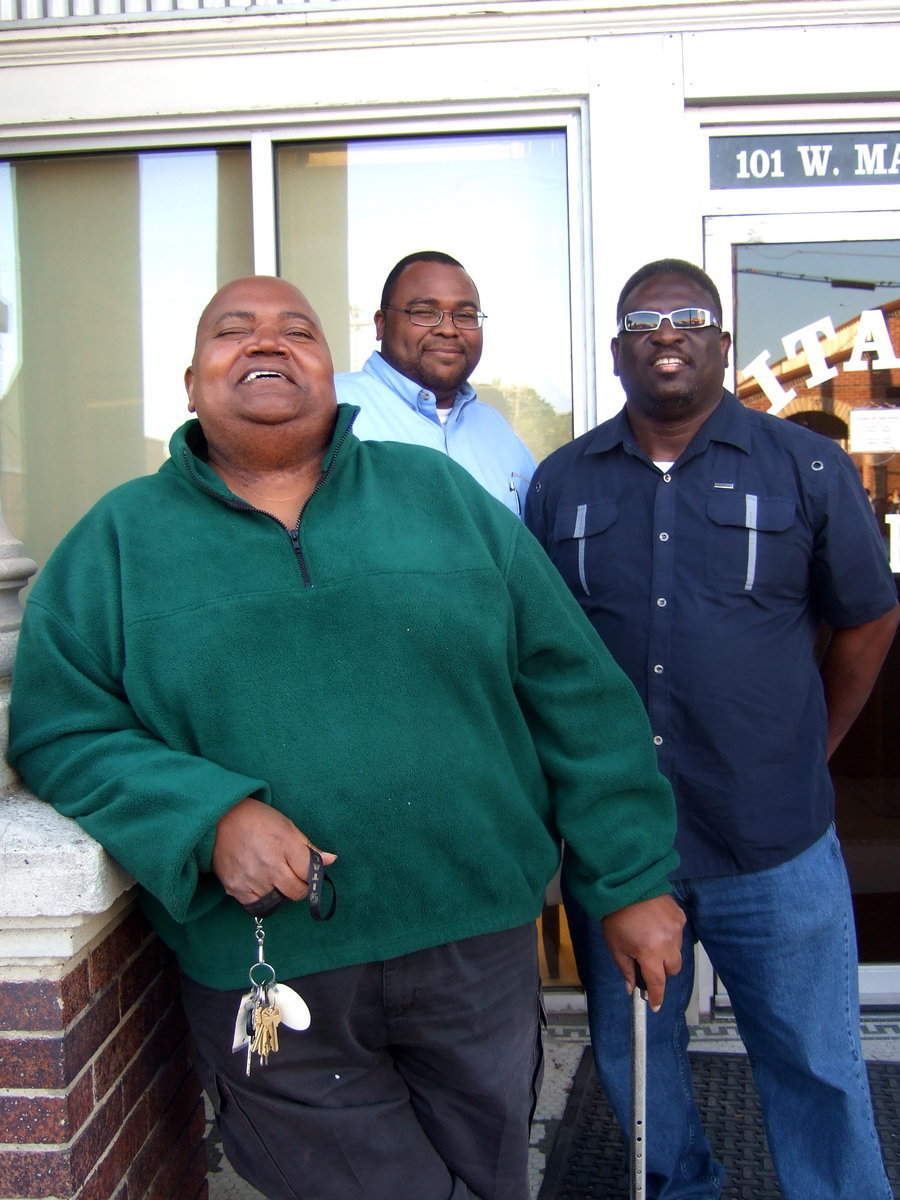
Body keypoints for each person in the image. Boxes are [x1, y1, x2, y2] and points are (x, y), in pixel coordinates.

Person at [8, 275, 685, 1200]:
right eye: (232, 332)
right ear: (191, 380)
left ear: (332, 372)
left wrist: (632, 877)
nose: (267, 344)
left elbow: (576, 692)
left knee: (490, 1174)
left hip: (473, 937)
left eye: (297, 331)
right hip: (268, 963)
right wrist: (204, 818)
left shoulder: (440, 496)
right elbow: (59, 726)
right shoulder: (119, 541)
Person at [525, 258, 900, 1200]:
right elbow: (541, 654)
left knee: (814, 1060)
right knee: (636, 1058)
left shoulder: (804, 466)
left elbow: (868, 618)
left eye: (690, 316)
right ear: (616, 352)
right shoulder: (561, 484)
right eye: (644, 321)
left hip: (771, 837)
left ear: (722, 344)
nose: (667, 333)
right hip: (624, 846)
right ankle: (680, 1187)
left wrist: (810, 746)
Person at [334, 250, 535, 514]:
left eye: (464, 316)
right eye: (425, 312)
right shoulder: (329, 408)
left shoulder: (499, 432)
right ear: (381, 325)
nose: (448, 329)